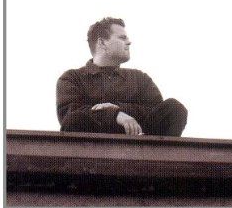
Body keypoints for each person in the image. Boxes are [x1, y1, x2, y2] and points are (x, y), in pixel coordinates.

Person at [56, 17, 187, 136]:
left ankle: (152, 152)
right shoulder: (72, 78)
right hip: (92, 147)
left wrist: (118, 108)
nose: (129, 42)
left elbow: (156, 110)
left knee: (175, 108)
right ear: (102, 43)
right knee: (76, 119)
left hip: (140, 143)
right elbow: (70, 118)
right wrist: (114, 115)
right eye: (122, 38)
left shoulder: (140, 78)